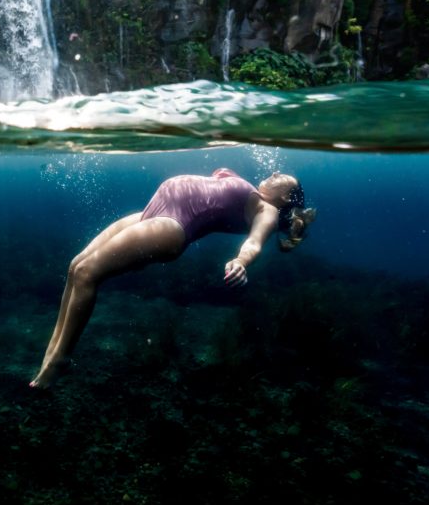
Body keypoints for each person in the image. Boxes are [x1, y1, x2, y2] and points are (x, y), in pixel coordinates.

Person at [30, 167, 316, 389]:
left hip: (172, 226)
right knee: (75, 266)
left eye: (283, 178)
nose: (275, 173)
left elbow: (254, 242)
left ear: (285, 199)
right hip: (151, 214)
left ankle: (61, 359)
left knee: (86, 274)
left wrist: (241, 261)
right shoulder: (254, 192)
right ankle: (53, 348)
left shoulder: (268, 210)